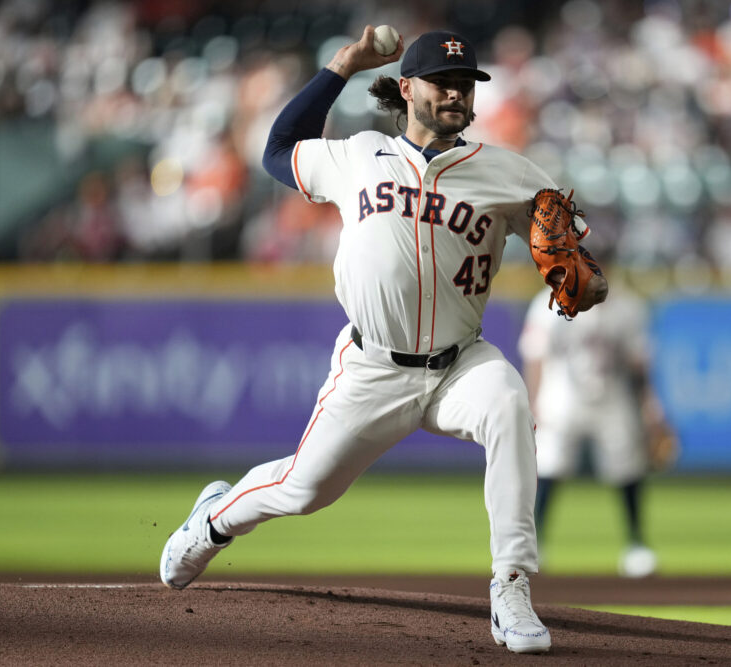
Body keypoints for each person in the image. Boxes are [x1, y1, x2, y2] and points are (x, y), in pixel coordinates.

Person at [159, 26, 607, 655]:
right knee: (304, 490)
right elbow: (278, 149)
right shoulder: (358, 155)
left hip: (460, 364)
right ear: (406, 88)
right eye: (442, 82)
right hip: (373, 366)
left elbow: (576, 252)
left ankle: (511, 585)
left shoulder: (511, 173)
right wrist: (343, 65)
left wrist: (586, 277)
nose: (456, 93)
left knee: (508, 402)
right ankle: (214, 518)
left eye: (465, 83)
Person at [518, 275, 673, 578]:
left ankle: (636, 545)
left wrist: (649, 406)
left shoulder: (627, 306)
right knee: (550, 465)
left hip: (611, 391)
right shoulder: (549, 301)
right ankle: (534, 545)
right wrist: (533, 401)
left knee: (627, 466)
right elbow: (535, 356)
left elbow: (638, 364)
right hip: (562, 391)